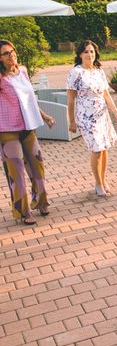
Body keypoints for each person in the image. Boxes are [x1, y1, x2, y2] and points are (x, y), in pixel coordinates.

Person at [0, 39, 54, 225]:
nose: (11, 55)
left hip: (28, 127)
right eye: (5, 53)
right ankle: (23, 212)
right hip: (7, 131)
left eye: (12, 51)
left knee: (37, 165)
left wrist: (45, 116)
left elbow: (30, 99)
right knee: (17, 172)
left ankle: (41, 201)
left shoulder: (22, 71)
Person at [67, 40, 117, 197]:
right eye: (86, 52)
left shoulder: (99, 71)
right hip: (86, 117)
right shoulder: (75, 73)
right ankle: (98, 184)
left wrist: (115, 110)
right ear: (80, 54)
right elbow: (70, 99)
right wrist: (71, 121)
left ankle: (103, 180)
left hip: (102, 115)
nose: (89, 54)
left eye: (91, 51)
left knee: (104, 150)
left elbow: (105, 93)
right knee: (97, 149)